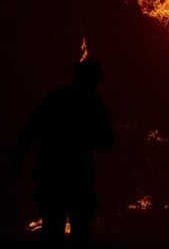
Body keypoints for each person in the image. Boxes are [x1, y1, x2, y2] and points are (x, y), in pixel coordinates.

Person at [10, 57, 115, 247]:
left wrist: (18, 160)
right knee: (78, 229)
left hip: (53, 173)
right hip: (75, 176)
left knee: (53, 227)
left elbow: (30, 130)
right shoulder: (94, 105)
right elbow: (106, 143)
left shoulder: (56, 99)